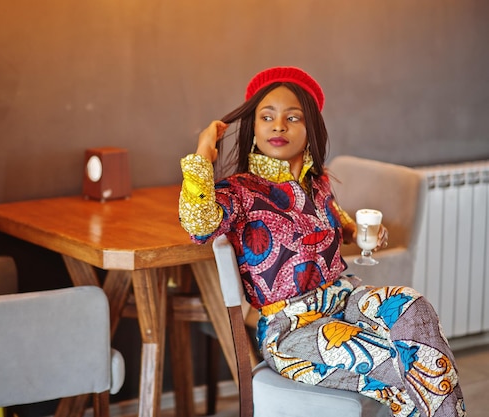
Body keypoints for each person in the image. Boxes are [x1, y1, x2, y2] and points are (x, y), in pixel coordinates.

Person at [178, 66, 465, 417]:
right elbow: (197, 225)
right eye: (266, 117)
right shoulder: (240, 190)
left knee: (412, 304)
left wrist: (357, 233)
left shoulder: (320, 183)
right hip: (294, 328)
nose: (278, 125)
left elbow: (339, 225)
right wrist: (202, 155)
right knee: (413, 359)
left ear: (310, 128)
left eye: (292, 117)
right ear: (254, 128)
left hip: (347, 300)